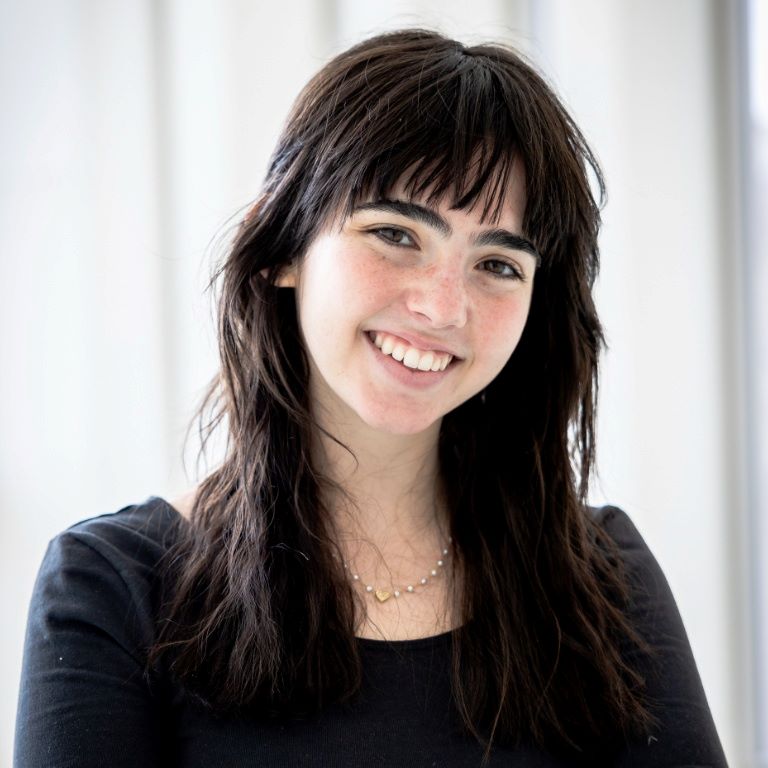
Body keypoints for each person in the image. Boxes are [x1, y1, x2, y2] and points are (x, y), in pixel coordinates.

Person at [15, 29, 727, 767]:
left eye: (497, 264)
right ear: (284, 248)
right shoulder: (112, 590)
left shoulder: (602, 579)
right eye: (395, 233)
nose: (443, 307)